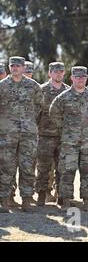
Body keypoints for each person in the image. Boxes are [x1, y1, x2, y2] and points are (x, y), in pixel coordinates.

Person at [50, 66, 88, 211]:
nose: (80, 79)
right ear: (72, 78)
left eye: (83, 77)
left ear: (86, 78)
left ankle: (87, 202)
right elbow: (53, 112)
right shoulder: (64, 97)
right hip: (70, 142)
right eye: (77, 77)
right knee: (67, 171)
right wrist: (65, 128)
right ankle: (65, 202)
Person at [0, 57, 43, 213]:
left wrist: (29, 121)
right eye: (12, 66)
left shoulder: (33, 86)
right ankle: (4, 200)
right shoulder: (2, 86)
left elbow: (40, 106)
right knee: (6, 167)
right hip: (7, 134)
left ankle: (26, 199)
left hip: (28, 134)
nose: (15, 68)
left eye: (18, 66)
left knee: (27, 167)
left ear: (24, 68)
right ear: (9, 67)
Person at [35, 62, 70, 206]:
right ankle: (42, 195)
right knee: (43, 167)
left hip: (63, 136)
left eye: (61, 71)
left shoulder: (69, 91)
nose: (58, 74)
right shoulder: (41, 90)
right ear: (50, 73)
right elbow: (35, 112)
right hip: (44, 135)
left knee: (63, 168)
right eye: (55, 71)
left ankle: (62, 196)